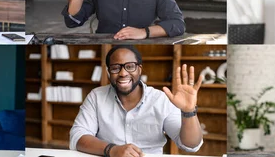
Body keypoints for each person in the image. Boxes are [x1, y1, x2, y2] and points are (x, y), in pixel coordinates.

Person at [70, 45, 203, 155]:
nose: (123, 73)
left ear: (139, 69)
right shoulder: (96, 96)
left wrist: (189, 111)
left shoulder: (160, 99)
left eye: (130, 66)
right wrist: (112, 150)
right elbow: (77, 137)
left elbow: (190, 145)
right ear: (108, 71)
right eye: (116, 67)